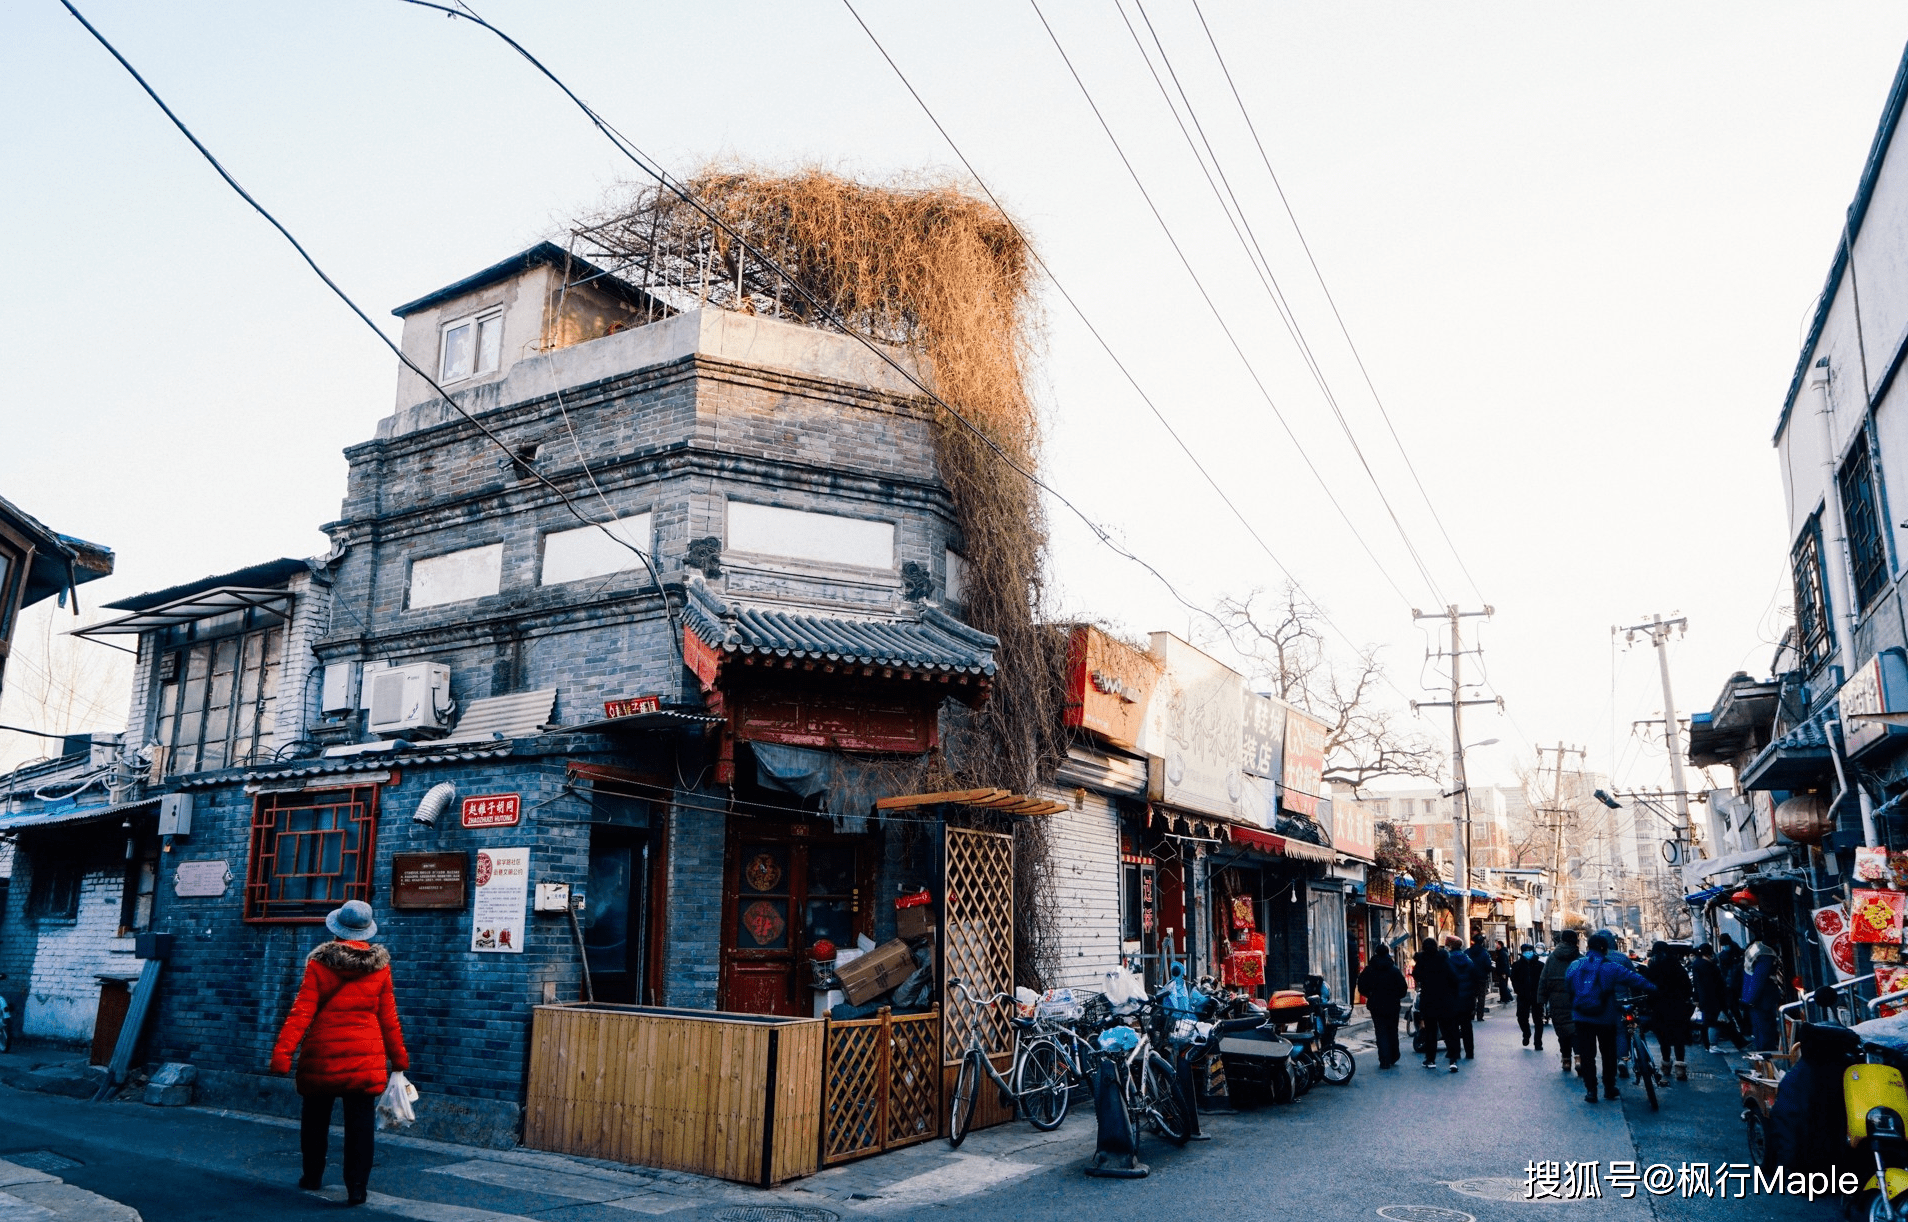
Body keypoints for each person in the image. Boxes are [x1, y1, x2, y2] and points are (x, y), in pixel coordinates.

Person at [271, 901, 409, 1205]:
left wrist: (282, 1055)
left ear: (337, 928)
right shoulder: (381, 967)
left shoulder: (320, 964)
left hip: (323, 1054)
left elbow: (300, 1013)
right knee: (360, 1126)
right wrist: (399, 1059)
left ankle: (312, 1176)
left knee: (315, 1120)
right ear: (366, 930)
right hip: (365, 1057)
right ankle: (357, 1188)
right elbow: (389, 1017)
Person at [1566, 930, 1655, 1103]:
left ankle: (1591, 1090)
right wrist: (1654, 989)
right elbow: (1635, 979)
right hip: (1606, 1017)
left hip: (1581, 1017)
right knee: (1608, 1053)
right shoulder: (1611, 967)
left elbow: (1568, 987)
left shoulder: (1575, 966)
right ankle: (1609, 1087)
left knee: (1587, 1055)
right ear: (1605, 949)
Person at [1643, 941, 1694, 1081]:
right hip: (1677, 1007)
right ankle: (1680, 1069)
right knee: (1679, 1038)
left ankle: (1666, 1065)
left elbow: (1646, 988)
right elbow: (1688, 987)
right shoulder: (1676, 966)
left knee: (1663, 1039)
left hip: (1659, 1008)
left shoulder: (1651, 968)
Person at [1413, 937, 1463, 1073]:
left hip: (1429, 1001)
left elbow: (1416, 975)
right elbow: (1454, 978)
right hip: (1445, 1001)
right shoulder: (1444, 959)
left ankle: (1430, 1059)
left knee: (1431, 1032)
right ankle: (1453, 1060)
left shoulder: (1422, 961)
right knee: (1448, 1031)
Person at [1358, 943, 1410, 1069]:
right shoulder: (1394, 970)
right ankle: (1393, 1055)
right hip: (1392, 1004)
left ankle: (1384, 1059)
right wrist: (1397, 996)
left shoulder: (1369, 969)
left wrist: (1370, 994)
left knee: (1380, 1031)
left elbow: (1361, 986)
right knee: (1392, 1030)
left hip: (1376, 1004)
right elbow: (1403, 988)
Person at [1540, 929, 1581, 1073]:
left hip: (1556, 1000)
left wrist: (1541, 1000)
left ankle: (1566, 1061)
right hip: (1575, 999)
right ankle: (1578, 1057)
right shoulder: (1579, 957)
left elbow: (1543, 979)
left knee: (1562, 1030)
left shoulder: (1552, 958)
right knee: (1576, 1030)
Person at [1689, 944, 1738, 1053]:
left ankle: (1711, 1045)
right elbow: (1713, 984)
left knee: (1712, 1021)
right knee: (1714, 1021)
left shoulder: (1697, 964)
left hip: (1705, 998)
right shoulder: (1707, 965)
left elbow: (1697, 984)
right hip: (1712, 998)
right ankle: (1713, 1045)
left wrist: (1696, 998)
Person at [1742, 941, 1785, 1051]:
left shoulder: (1759, 954)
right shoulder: (1766, 955)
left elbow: (1757, 979)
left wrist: (1748, 999)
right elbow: (1759, 979)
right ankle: (1765, 1054)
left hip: (1757, 999)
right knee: (1764, 1028)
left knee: (1761, 1029)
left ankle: (1763, 1054)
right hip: (1762, 999)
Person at [1446, 935, 1479, 1058]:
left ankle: (1455, 1052)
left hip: (1452, 999)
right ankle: (1469, 1052)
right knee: (1467, 1027)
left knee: (1453, 1027)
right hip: (1467, 999)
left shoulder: (1447, 961)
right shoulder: (1468, 961)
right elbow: (1475, 980)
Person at [1509, 942, 1546, 1050]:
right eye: (1526, 951)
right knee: (1521, 1017)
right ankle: (1526, 1033)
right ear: (1522, 952)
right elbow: (1513, 979)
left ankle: (1538, 1042)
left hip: (1536, 996)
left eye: (1530, 951)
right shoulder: (1517, 965)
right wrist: (1517, 989)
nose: (1528, 953)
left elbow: (1544, 980)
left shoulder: (1540, 965)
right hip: (1522, 995)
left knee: (1538, 1020)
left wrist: (1543, 992)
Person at [1718, 934, 1747, 1040]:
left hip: (1733, 985)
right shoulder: (1736, 952)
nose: (1725, 946)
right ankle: (1743, 1028)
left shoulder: (1735, 953)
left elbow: (1724, 972)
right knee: (1736, 1008)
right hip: (1737, 985)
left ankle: (1741, 1029)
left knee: (1734, 1007)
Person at [1470, 934, 1492, 1019]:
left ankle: (1471, 1014)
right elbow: (1488, 965)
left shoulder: (1469, 951)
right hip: (1482, 977)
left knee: (1472, 996)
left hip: (1471, 977)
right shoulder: (1485, 952)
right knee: (1481, 996)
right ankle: (1480, 1015)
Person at [1491, 939, 1513, 1004]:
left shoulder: (1502, 953)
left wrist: (1503, 973)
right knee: (1502, 985)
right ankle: (1504, 998)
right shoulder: (1501, 952)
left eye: (1497, 944)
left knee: (1503, 986)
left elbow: (1504, 964)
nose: (1496, 945)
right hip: (1502, 972)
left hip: (1503, 972)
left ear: (1500, 945)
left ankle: (1508, 998)